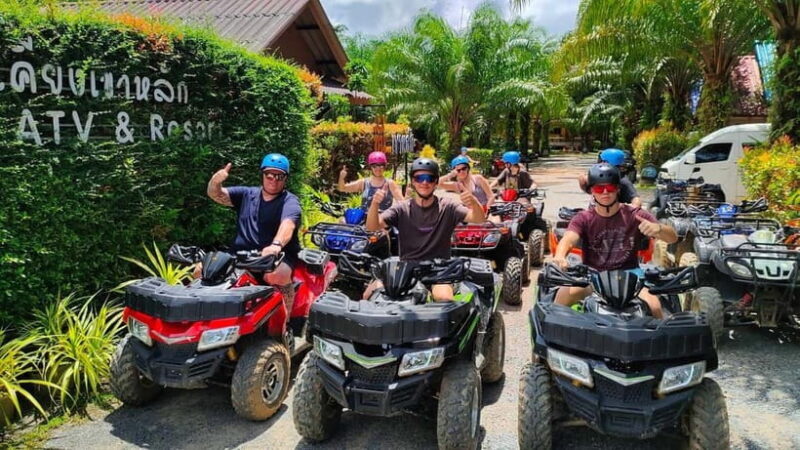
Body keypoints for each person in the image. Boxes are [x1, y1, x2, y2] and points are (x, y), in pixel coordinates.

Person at [553, 164, 678, 319]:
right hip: (593, 276)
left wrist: (658, 228)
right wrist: (560, 256)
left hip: (631, 276)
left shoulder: (635, 214)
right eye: (599, 189)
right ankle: (550, 341)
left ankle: (659, 341)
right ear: (592, 191)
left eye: (610, 188)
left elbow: (673, 238)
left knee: (654, 305)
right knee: (562, 296)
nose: (605, 192)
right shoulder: (583, 218)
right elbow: (569, 238)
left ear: (618, 189)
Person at [365, 157, 486, 301]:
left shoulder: (448, 207)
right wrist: (374, 204)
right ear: (413, 181)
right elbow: (372, 226)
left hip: (439, 270)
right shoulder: (402, 209)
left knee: (443, 299)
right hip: (406, 269)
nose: (424, 182)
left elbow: (478, 219)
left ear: (436, 182)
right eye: (419, 177)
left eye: (429, 178)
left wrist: (473, 201)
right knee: (370, 294)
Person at [206, 154, 302, 316]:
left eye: (279, 176)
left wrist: (276, 245)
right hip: (241, 254)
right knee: (203, 270)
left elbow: (288, 224)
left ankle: (288, 316)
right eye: (269, 174)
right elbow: (216, 194)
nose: (274, 179)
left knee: (278, 275)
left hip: (277, 255)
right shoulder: (246, 194)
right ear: (262, 175)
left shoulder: (289, 201)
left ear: (286, 178)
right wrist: (215, 182)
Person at [337, 151, 404, 211]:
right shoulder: (364, 183)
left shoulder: (390, 183)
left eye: (381, 165)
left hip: (383, 220)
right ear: (370, 167)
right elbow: (342, 188)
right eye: (374, 166)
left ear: (384, 166)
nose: (378, 168)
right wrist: (341, 177)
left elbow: (402, 203)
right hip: (365, 220)